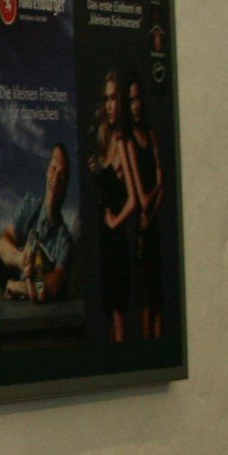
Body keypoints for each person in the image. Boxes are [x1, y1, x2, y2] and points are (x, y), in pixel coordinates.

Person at [93, 69, 139, 342]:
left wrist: (115, 222)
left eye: (114, 99)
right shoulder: (107, 140)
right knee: (108, 313)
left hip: (116, 242)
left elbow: (134, 199)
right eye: (106, 99)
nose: (109, 105)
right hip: (104, 240)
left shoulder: (122, 142)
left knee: (118, 315)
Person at [0, 142, 75, 302]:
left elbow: (52, 286)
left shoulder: (65, 240)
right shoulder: (29, 206)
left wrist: (16, 286)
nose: (56, 177)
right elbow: (2, 245)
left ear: (66, 184)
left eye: (62, 174)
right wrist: (21, 259)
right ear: (47, 171)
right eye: (54, 168)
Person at [129, 76, 169, 339]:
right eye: (131, 100)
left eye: (138, 99)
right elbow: (144, 200)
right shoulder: (129, 141)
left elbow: (161, 194)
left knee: (158, 302)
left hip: (153, 229)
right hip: (140, 235)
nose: (135, 105)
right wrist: (158, 181)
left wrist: (151, 212)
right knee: (146, 302)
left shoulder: (152, 134)